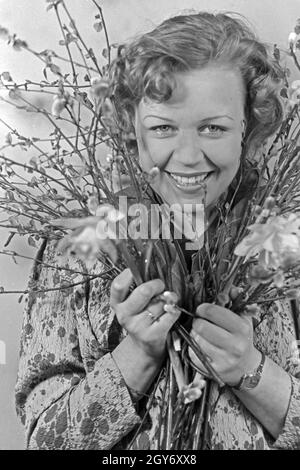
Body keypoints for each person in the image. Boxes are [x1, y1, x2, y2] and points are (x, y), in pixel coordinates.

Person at [15, 11, 300, 450]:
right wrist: (137, 356)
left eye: (213, 127)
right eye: (164, 127)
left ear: (249, 126)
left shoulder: (286, 246)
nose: (188, 156)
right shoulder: (76, 247)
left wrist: (251, 369)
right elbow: (43, 443)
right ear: (134, 129)